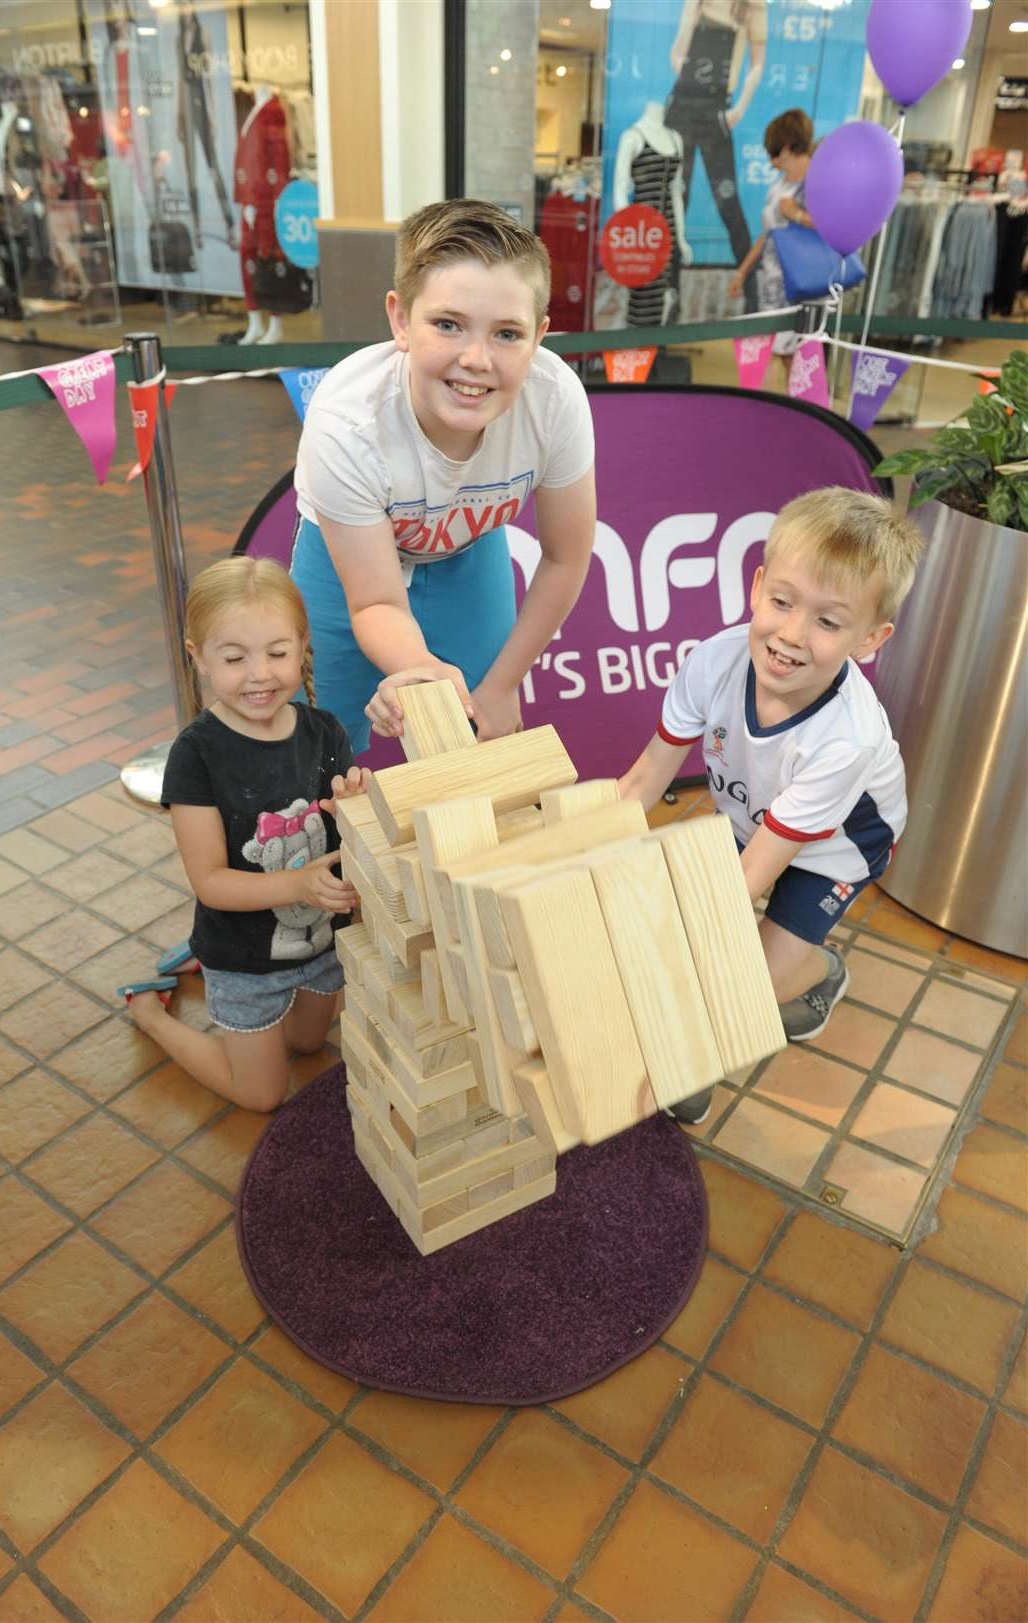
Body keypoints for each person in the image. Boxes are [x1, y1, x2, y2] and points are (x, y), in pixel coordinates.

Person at [620, 487, 924, 1123]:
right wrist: (582, 863)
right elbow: (646, 778)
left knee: (736, 983)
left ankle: (814, 971)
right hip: (754, 815)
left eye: (828, 621)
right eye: (782, 602)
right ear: (757, 587)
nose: (791, 634)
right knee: (679, 929)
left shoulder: (847, 737)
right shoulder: (715, 660)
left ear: (871, 638)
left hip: (835, 849)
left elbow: (755, 875)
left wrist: (684, 990)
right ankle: (751, 987)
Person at [290, 198, 597, 754]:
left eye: (507, 334)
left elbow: (566, 556)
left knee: (481, 732)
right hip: (346, 569)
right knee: (321, 748)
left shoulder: (554, 400)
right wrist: (424, 671)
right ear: (401, 320)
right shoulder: (345, 421)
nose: (475, 358)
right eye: (448, 325)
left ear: (541, 336)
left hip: (467, 549)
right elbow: (375, 603)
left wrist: (501, 686)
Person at [116, 556, 369, 1113]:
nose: (259, 674)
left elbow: (346, 839)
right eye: (235, 658)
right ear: (199, 657)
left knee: (307, 1043)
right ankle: (152, 1015)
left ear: (303, 645)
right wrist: (299, 886)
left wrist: (358, 809)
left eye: (277, 653)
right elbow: (210, 883)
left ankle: (195, 966)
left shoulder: (325, 731)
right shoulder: (197, 755)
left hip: (321, 943)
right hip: (243, 956)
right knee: (261, 1095)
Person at [666, 0, 767, 312]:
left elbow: (757, 64)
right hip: (683, 103)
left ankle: (752, 298)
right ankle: (671, 298)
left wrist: (738, 110)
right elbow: (677, 54)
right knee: (675, 201)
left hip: (717, 107)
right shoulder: (697, 3)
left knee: (729, 203)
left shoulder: (753, 6)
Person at [728, 108, 814, 374]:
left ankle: (799, 411)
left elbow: (838, 228)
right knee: (771, 354)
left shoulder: (818, 181)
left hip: (803, 285)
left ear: (787, 147)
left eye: (773, 153)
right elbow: (767, 233)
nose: (771, 161)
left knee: (798, 361)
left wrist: (797, 214)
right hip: (772, 284)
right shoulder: (778, 186)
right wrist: (742, 271)